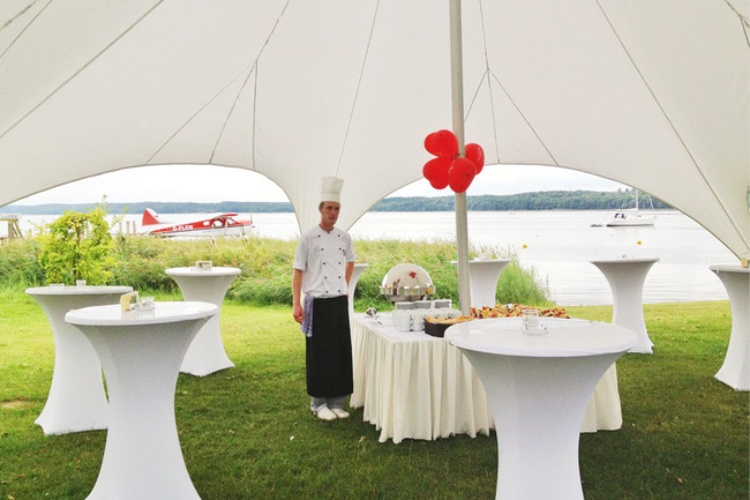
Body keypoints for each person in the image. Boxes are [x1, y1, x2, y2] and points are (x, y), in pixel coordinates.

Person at [292, 176, 356, 421]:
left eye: (337, 209)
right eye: (329, 208)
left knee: (340, 352)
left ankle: (337, 401)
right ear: (320, 209)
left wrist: (344, 284)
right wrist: (296, 303)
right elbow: (298, 271)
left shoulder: (344, 237)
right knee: (320, 354)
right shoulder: (308, 238)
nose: (333, 213)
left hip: (338, 300)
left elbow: (350, 261)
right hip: (317, 302)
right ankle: (318, 403)